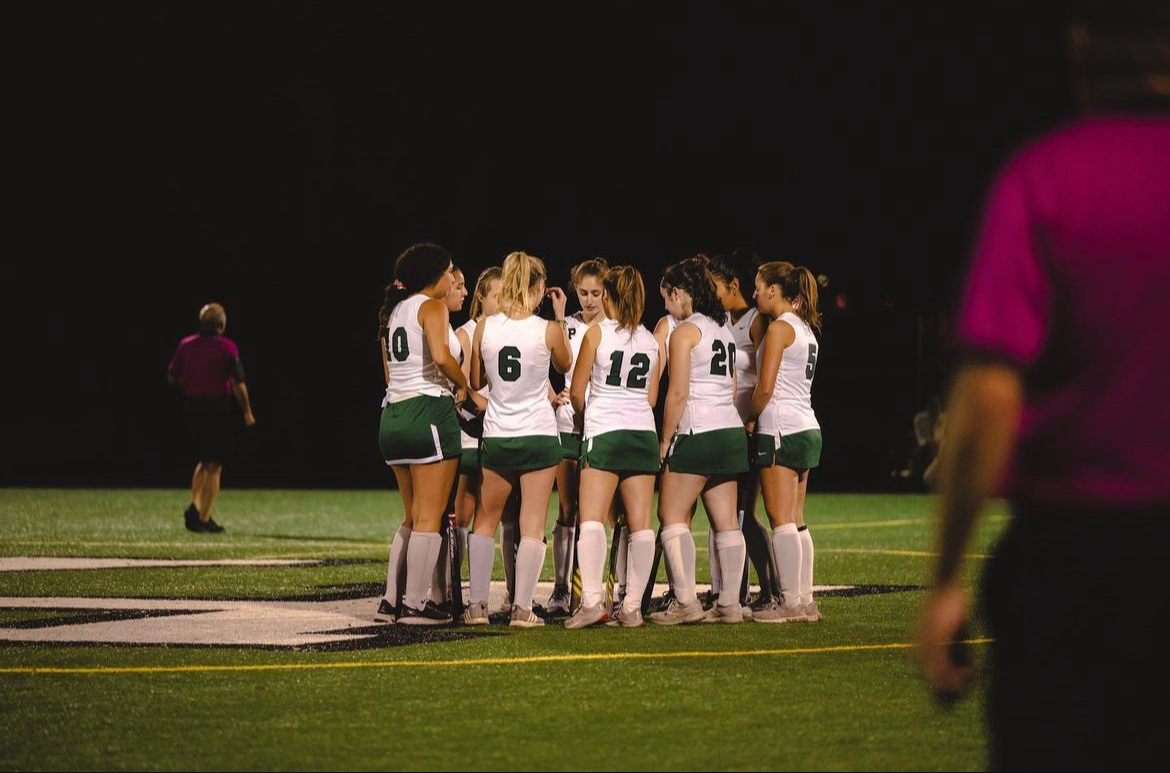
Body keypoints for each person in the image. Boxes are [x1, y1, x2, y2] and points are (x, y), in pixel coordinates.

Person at [916, 9, 1170, 770]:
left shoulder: (1047, 174)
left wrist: (946, 575)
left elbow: (990, 392)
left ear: (1083, 48)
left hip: (1073, 555)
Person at [464, 251, 572, 628]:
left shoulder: (485, 327)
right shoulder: (548, 329)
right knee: (532, 523)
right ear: (540, 286)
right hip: (539, 436)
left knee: (485, 520)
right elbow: (565, 365)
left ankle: (476, 606)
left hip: (498, 434)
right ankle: (522, 609)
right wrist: (559, 317)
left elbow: (478, 381)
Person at [375, 243, 470, 625]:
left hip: (392, 415)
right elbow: (443, 357)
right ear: (434, 274)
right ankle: (416, 605)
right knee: (430, 516)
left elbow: (388, 373)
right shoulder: (431, 306)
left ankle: (390, 601)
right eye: (449, 271)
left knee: (412, 517)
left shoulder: (392, 311)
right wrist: (465, 388)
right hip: (426, 411)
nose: (452, 278)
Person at [565, 265, 663, 628]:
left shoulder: (596, 334)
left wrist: (586, 415)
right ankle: (633, 607)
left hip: (605, 430)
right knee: (641, 526)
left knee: (591, 519)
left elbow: (577, 393)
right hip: (641, 433)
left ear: (607, 295)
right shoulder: (653, 340)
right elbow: (651, 397)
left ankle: (592, 602)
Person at [652, 258, 749, 625]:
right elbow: (734, 387)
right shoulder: (722, 330)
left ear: (680, 293)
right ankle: (729, 604)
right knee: (726, 521)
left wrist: (664, 441)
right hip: (729, 429)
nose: (665, 306)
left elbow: (676, 393)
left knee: (670, 515)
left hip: (698, 430)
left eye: (667, 297)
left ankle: (686, 602)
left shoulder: (684, 332)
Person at [749, 262, 823, 623]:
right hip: (807, 425)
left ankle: (790, 603)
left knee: (780, 519)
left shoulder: (779, 329)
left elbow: (765, 387)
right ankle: (806, 600)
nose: (755, 294)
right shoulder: (806, 329)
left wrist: (749, 416)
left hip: (780, 425)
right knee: (796, 518)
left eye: (759, 287)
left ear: (775, 291)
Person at [708, 250, 778, 612]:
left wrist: (751, 419)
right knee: (727, 513)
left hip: (748, 426)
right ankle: (733, 589)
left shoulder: (755, 320)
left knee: (744, 515)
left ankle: (771, 589)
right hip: (727, 427)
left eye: (716, 287)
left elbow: (766, 376)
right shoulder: (721, 320)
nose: (713, 294)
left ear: (733, 284)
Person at [548, 258, 609, 615]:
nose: (589, 300)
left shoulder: (615, 329)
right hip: (569, 423)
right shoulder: (565, 325)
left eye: (596, 293)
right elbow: (540, 366)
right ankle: (560, 589)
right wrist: (550, 395)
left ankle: (597, 590)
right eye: (583, 293)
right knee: (568, 509)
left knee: (599, 513)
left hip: (601, 426)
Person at [168, 302, 256, 534]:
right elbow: (239, 382)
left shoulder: (185, 346)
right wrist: (247, 410)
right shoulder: (227, 347)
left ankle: (195, 506)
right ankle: (204, 518)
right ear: (221, 324)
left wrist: (190, 385)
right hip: (217, 407)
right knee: (215, 465)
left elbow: (172, 376)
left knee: (203, 460)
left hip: (192, 407)